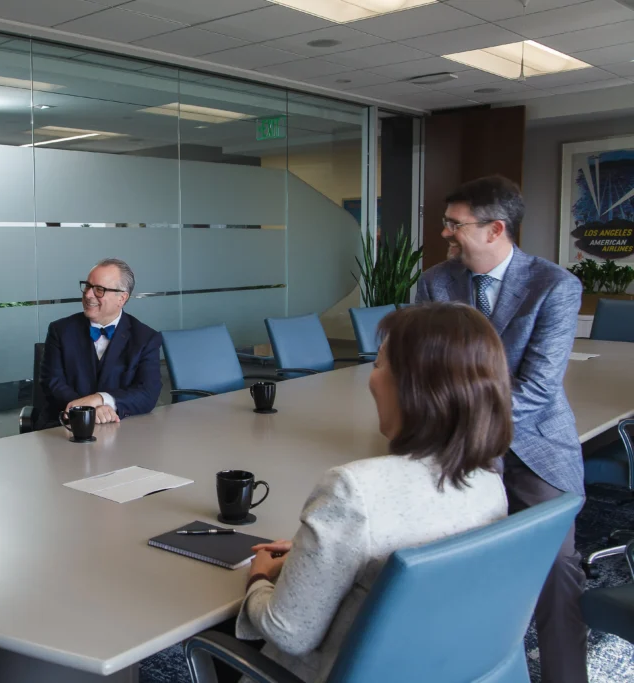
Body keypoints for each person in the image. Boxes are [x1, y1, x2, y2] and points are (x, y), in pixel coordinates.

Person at [234, 303, 510, 683]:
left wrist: (260, 577)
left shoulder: (353, 490)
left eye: (378, 365)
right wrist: (308, 559)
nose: (370, 379)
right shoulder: (489, 484)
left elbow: (288, 632)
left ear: (413, 385)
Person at [415, 175, 586, 683]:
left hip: (536, 444)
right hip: (458, 446)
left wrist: (467, 420)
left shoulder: (554, 285)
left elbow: (537, 387)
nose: (445, 233)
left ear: (495, 229)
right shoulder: (436, 283)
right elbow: (425, 369)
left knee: (556, 569)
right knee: (450, 567)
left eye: (454, 224)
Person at [37, 258, 162, 429]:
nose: (88, 295)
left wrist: (101, 399)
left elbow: (148, 393)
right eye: (87, 286)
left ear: (122, 298)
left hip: (120, 430)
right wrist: (86, 410)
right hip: (64, 426)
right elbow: (52, 383)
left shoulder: (146, 338)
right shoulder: (60, 330)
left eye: (99, 290)